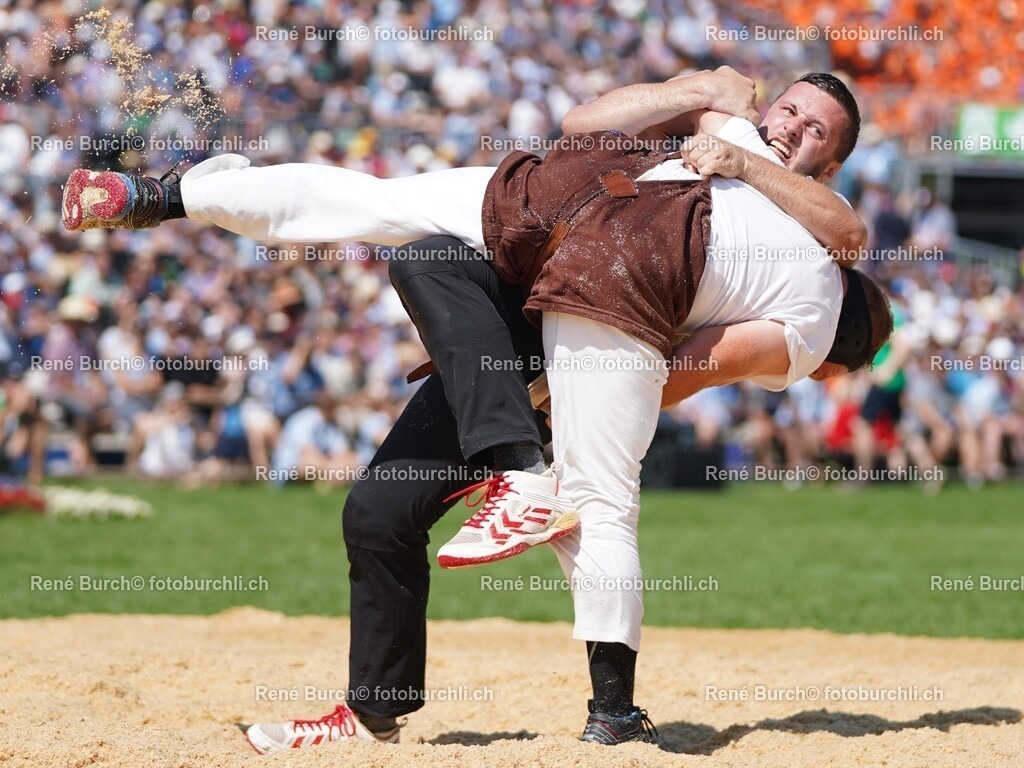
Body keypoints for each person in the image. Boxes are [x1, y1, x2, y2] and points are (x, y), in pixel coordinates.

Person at [62, 70, 891, 749]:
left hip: (588, 323)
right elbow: (585, 120)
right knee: (396, 462)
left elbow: (822, 257)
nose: (792, 126)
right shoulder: (732, 132)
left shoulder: (806, 235)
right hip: (539, 280)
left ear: (831, 164)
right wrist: (692, 87)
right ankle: (164, 194)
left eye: (817, 131)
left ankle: (610, 705)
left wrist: (557, 405)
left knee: (593, 498)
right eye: (790, 108)